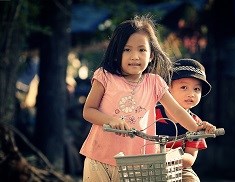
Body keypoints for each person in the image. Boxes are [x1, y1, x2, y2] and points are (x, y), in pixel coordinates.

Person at [80, 15, 213, 182]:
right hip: (99, 158)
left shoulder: (154, 82)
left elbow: (177, 111)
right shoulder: (105, 76)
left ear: (151, 55)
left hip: (137, 163)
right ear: (116, 53)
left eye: (142, 50)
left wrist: (198, 128)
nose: (135, 56)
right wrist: (110, 120)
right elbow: (88, 111)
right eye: (127, 49)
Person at [156, 58, 216, 182]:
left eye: (196, 89)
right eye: (184, 87)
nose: (191, 94)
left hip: (179, 167)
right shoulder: (152, 113)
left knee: (191, 180)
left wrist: (170, 157)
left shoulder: (196, 124)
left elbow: (190, 158)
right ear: (168, 88)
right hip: (149, 164)